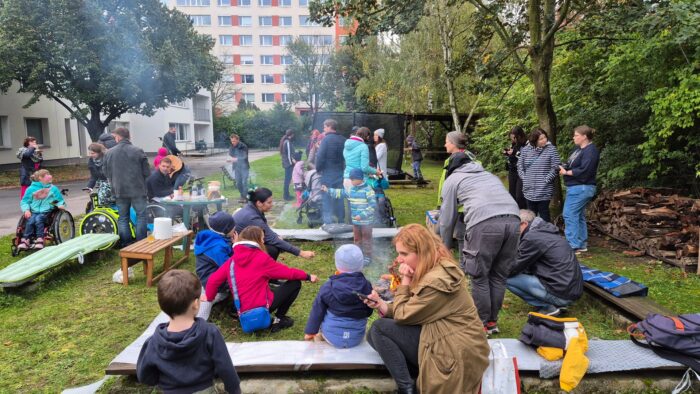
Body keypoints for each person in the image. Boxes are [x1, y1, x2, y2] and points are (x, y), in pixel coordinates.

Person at [363, 224, 489, 394]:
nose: (399, 259)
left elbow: (402, 315)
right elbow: (415, 309)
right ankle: (413, 378)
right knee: (374, 334)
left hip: (453, 350)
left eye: (404, 254)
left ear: (422, 252)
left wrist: (406, 280)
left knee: (379, 329)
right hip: (445, 335)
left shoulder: (435, 281)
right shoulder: (434, 266)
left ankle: (407, 389)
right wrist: (382, 305)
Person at [438, 152, 519, 335]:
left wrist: (444, 244)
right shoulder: (488, 175)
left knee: (479, 275)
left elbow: (446, 218)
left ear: (452, 168)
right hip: (514, 221)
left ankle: (480, 324)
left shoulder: (454, 179)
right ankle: (492, 322)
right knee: (498, 275)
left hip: (484, 223)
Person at [136, 270, 241, 394]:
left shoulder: (153, 342)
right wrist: (235, 390)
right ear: (196, 304)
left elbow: (144, 376)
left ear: (162, 306)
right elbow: (226, 369)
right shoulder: (210, 333)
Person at [205, 226, 319, 333]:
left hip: (242, 310)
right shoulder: (261, 258)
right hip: (262, 307)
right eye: (262, 239)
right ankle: (279, 318)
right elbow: (288, 273)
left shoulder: (231, 261)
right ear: (257, 241)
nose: (264, 242)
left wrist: (209, 297)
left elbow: (213, 280)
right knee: (295, 283)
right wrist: (308, 276)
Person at [507, 210, 583, 317]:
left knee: (503, 277)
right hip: (570, 290)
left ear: (524, 224)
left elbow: (513, 268)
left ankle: (548, 307)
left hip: (562, 293)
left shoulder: (532, 238)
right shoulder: (544, 231)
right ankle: (556, 304)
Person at [303, 244, 373, 348]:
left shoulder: (328, 286)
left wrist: (310, 332)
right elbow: (369, 311)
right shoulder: (367, 285)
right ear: (361, 264)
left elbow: (317, 311)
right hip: (356, 338)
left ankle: (320, 342)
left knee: (318, 335)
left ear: (337, 265)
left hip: (331, 337)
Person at [233, 187, 315, 261]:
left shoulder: (252, 208)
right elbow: (272, 239)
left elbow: (266, 230)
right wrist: (301, 253)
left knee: (276, 242)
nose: (272, 205)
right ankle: (264, 272)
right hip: (236, 251)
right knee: (272, 249)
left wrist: (275, 236)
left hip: (243, 244)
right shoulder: (252, 217)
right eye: (269, 203)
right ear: (259, 203)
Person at [103, 127, 150, 244]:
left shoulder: (109, 152)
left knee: (123, 218)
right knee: (141, 216)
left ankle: (126, 244)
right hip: (137, 189)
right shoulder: (138, 150)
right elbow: (147, 172)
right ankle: (142, 243)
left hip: (119, 189)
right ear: (129, 136)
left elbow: (106, 173)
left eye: (115, 137)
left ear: (118, 137)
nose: (115, 139)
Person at [559, 125, 600, 254]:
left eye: (576, 135)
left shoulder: (591, 151)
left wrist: (567, 172)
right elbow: (570, 163)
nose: (573, 137)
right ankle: (581, 244)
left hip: (582, 188)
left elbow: (585, 171)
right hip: (576, 187)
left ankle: (573, 246)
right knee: (578, 215)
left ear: (584, 137)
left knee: (569, 214)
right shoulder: (578, 149)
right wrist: (562, 166)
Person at [323, 168, 376, 264]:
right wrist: (328, 190)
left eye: (352, 179)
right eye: (350, 179)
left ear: (360, 178)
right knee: (357, 239)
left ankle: (367, 256)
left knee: (366, 239)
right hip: (356, 222)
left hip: (366, 222)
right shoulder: (351, 190)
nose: (351, 181)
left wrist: (362, 215)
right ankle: (358, 254)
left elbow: (372, 206)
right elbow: (341, 193)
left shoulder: (368, 190)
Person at [435, 131, 476, 251]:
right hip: (448, 203)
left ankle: (464, 266)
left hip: (461, 206)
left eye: (446, 142)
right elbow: (446, 182)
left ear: (453, 143)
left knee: (461, 235)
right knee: (438, 231)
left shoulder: (467, 161)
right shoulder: (450, 159)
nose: (445, 145)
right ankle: (444, 254)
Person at [517, 128, 561, 222]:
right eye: (541, 139)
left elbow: (556, 167)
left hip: (544, 190)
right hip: (529, 190)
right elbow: (520, 166)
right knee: (531, 216)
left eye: (545, 137)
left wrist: (546, 180)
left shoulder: (551, 149)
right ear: (534, 140)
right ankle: (532, 235)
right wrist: (525, 179)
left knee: (544, 215)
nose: (544, 140)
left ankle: (547, 234)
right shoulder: (525, 150)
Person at [18, 169, 66, 250]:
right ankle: (26, 239)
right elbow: (25, 201)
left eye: (49, 174)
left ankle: (40, 239)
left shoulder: (53, 188)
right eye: (47, 175)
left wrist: (59, 204)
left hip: (47, 212)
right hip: (33, 211)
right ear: (40, 178)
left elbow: (58, 200)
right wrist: (26, 210)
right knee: (30, 220)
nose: (50, 176)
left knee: (38, 219)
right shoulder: (31, 189)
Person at [315, 118, 347, 224]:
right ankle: (341, 219)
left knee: (327, 197)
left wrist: (318, 169)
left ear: (329, 126)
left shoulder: (326, 139)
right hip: (340, 173)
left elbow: (320, 156)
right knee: (339, 196)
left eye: (324, 126)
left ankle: (328, 222)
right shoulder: (343, 139)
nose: (323, 129)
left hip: (328, 173)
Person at [504, 126, 527, 208]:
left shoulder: (526, 144)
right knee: (512, 195)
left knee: (519, 196)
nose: (512, 140)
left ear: (519, 136)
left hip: (521, 172)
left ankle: (524, 213)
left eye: (514, 138)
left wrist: (515, 152)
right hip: (512, 171)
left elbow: (526, 157)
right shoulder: (514, 144)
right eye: (511, 138)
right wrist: (507, 153)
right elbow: (513, 155)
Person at [228, 133, 250, 203]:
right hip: (236, 167)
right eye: (231, 141)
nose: (232, 143)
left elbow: (244, 157)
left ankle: (245, 198)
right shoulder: (231, 147)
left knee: (244, 182)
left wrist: (236, 159)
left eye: (234, 141)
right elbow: (230, 155)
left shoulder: (243, 146)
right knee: (238, 183)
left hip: (244, 167)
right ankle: (242, 196)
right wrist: (229, 159)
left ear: (238, 140)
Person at [279, 129, 296, 201]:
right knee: (287, 180)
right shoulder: (287, 142)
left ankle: (287, 195)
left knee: (287, 180)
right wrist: (291, 163)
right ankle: (286, 196)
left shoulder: (286, 141)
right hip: (288, 164)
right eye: (293, 134)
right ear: (291, 134)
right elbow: (288, 154)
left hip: (286, 163)